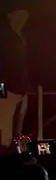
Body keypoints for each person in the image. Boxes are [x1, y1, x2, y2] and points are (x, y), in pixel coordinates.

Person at [0, 8, 30, 148]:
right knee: (5, 120)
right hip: (10, 87)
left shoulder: (18, 37)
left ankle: (14, 148)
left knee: (16, 122)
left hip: (19, 88)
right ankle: (5, 148)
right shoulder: (8, 38)